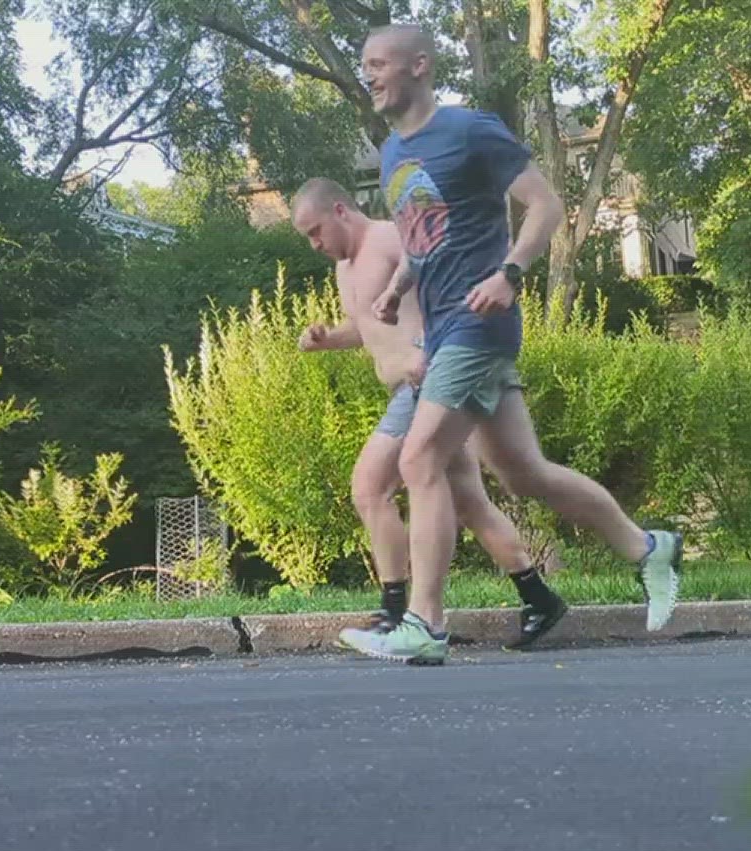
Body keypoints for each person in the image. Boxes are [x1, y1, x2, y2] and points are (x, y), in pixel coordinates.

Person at [336, 24, 682, 666]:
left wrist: (511, 272)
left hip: (480, 323)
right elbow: (425, 236)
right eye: (364, 66)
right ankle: (648, 547)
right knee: (522, 474)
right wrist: (396, 286)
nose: (369, 74)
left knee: (419, 462)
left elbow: (546, 205)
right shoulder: (390, 153)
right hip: (443, 329)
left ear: (418, 65)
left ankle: (425, 624)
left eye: (378, 63)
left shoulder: (471, 130)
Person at [289, 177, 568, 653]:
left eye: (315, 231)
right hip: (411, 388)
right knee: (467, 501)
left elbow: (452, 278)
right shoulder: (345, 270)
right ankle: (539, 597)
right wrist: (326, 339)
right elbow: (366, 329)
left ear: (340, 211)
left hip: (429, 382)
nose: (315, 244)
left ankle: (394, 613)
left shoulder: (390, 238)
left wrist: (432, 347)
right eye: (307, 238)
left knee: (370, 484)